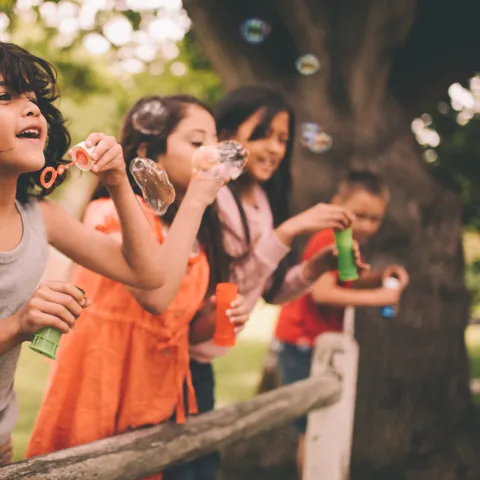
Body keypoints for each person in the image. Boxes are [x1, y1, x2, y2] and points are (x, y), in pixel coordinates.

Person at [0, 42, 221, 465]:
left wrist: (119, 180)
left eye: (34, 100)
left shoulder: (40, 215)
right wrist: (17, 325)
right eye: (4, 97)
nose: (31, 110)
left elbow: (148, 275)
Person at [26, 95, 249, 480]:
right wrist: (197, 199)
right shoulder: (111, 215)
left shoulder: (190, 232)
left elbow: (177, 326)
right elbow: (155, 298)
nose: (211, 153)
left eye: (215, 141)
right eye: (197, 142)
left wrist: (213, 317)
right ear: (149, 153)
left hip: (159, 396)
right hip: (102, 387)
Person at [180, 86, 358, 480]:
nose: (275, 148)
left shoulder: (260, 201)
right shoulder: (212, 198)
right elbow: (226, 286)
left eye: (282, 139)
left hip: (202, 363)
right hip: (178, 356)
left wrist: (315, 267)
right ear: (224, 135)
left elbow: (270, 290)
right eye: (261, 134)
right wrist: (287, 232)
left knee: (203, 465)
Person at [274, 170, 410, 477]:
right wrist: (380, 298)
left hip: (319, 343)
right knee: (312, 428)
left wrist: (378, 279)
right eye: (360, 214)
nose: (367, 224)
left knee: (324, 423)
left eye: (375, 219)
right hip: (302, 341)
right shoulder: (328, 236)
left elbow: (346, 281)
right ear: (337, 204)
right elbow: (323, 292)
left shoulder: (347, 240)